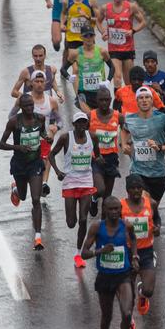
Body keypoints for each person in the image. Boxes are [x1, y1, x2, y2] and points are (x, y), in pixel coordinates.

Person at [81, 198, 140, 329]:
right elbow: (84, 253)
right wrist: (100, 251)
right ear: (104, 210)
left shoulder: (127, 226)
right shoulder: (96, 227)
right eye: (111, 209)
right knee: (107, 317)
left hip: (123, 275)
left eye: (117, 209)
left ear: (121, 209)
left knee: (127, 313)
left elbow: (134, 240)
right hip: (105, 277)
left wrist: (134, 257)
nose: (114, 212)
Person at [50, 111, 100, 268]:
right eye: (79, 122)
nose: (81, 125)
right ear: (74, 124)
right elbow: (51, 155)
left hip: (86, 182)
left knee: (83, 219)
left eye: (84, 122)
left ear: (87, 124)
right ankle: (81, 213)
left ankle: (78, 253)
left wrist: (101, 162)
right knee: (71, 223)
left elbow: (97, 155)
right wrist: (58, 172)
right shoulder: (66, 138)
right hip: (70, 183)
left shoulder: (93, 137)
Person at [0, 94, 47, 249]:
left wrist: (47, 138)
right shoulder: (14, 122)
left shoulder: (40, 119)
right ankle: (16, 189)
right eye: (26, 106)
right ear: (21, 107)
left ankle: (38, 237)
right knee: (24, 196)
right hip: (19, 164)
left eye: (31, 105)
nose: (30, 108)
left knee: (36, 199)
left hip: (35, 163)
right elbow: (1, 144)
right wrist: (18, 147)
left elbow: (42, 133)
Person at [121, 86, 165, 202]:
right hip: (137, 172)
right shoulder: (129, 119)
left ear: (152, 100)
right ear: (136, 101)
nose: (144, 100)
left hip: (158, 173)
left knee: (153, 207)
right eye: (141, 98)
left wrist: (160, 147)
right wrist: (123, 144)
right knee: (145, 203)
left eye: (147, 97)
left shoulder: (163, 118)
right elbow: (124, 130)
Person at [121, 175, 161, 329]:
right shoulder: (120, 207)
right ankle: (130, 324)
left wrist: (157, 227)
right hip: (127, 253)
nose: (136, 191)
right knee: (128, 294)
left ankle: (142, 294)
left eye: (139, 188)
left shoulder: (151, 204)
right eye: (133, 188)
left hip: (146, 251)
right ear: (127, 190)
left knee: (149, 290)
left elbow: (157, 219)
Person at [102, 0, 146, 85]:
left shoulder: (131, 7)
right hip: (114, 50)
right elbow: (98, 21)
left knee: (129, 82)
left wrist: (133, 31)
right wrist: (103, 31)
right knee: (117, 77)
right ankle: (117, 95)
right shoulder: (106, 8)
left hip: (128, 49)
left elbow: (143, 22)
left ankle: (127, 95)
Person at [88, 87, 123, 216]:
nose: (104, 103)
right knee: (100, 189)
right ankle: (94, 198)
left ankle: (104, 223)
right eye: (101, 100)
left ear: (110, 100)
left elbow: (126, 131)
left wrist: (126, 144)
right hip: (96, 158)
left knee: (107, 197)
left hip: (111, 159)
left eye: (107, 100)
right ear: (96, 100)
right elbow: (80, 135)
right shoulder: (90, 116)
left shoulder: (118, 116)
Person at [62, 28, 115, 113]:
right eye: (86, 36)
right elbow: (63, 69)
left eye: (91, 35)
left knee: (100, 117)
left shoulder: (102, 51)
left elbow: (112, 67)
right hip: (83, 93)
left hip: (99, 92)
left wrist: (108, 81)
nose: (88, 38)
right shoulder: (76, 53)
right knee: (89, 116)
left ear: (94, 36)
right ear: (81, 37)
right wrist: (68, 77)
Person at [59, 0, 101, 73]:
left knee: (88, 67)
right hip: (72, 38)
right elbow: (63, 13)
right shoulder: (66, 1)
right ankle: (74, 81)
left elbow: (99, 19)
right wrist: (62, 24)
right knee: (76, 69)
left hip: (87, 38)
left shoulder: (91, 1)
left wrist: (87, 17)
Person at [10, 45, 64, 114]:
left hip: (47, 109)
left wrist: (58, 92)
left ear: (45, 55)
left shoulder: (52, 70)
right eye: (35, 56)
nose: (38, 59)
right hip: (31, 111)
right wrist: (27, 98)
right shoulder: (26, 72)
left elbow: (52, 82)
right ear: (32, 56)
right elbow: (14, 92)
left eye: (40, 56)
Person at [141, 50, 165, 114]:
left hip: (162, 114)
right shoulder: (140, 77)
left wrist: (161, 91)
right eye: (147, 62)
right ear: (144, 64)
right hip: (144, 115)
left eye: (152, 61)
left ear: (156, 63)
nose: (150, 64)